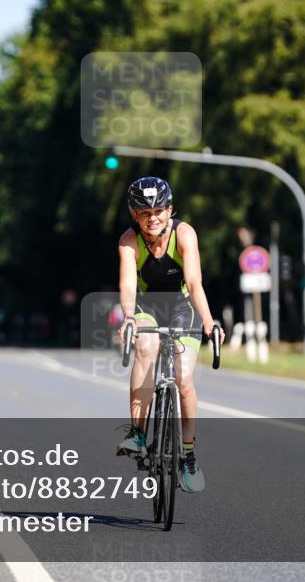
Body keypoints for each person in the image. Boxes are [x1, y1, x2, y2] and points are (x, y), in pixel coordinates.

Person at [115, 176, 224, 493]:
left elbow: (194, 283)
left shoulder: (184, 233)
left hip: (182, 308)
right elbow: (127, 286)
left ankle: (188, 454)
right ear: (135, 215)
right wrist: (128, 318)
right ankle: (137, 433)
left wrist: (208, 321)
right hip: (147, 306)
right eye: (145, 212)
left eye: (159, 210)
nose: (153, 218)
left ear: (170, 209)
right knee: (146, 347)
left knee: (184, 381)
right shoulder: (128, 241)